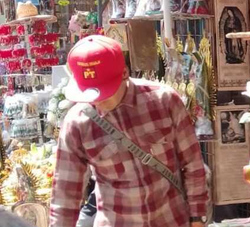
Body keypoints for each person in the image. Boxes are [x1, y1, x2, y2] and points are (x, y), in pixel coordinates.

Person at [50, 35, 209, 227]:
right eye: (91, 94)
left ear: (125, 73)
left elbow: (193, 164)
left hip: (171, 219)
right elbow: (65, 196)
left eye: (105, 92)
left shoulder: (164, 101)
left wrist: (196, 218)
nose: (98, 101)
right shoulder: (77, 123)